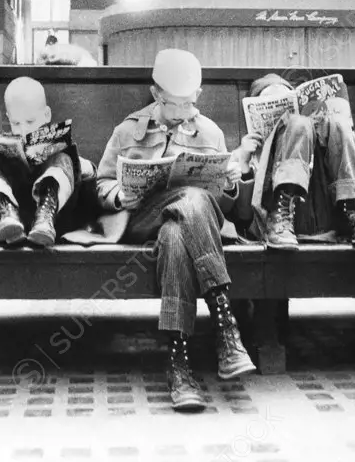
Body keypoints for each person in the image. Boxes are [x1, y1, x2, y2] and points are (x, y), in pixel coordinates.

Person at [94, 49, 255, 413]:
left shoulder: (210, 131)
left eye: (189, 104)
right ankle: (225, 323)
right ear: (156, 95)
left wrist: (231, 184)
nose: (184, 112)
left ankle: (179, 365)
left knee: (177, 232)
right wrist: (119, 195)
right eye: (174, 105)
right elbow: (100, 183)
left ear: (197, 95)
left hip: (185, 231)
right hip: (142, 221)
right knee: (190, 199)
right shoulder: (127, 131)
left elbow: (223, 207)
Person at [229, 73, 355, 250]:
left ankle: (350, 209)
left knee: (336, 123)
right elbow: (243, 218)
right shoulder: (243, 152)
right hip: (271, 223)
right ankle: (281, 213)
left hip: (326, 216)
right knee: (297, 124)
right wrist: (244, 162)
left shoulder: (317, 138)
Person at [0, 77, 93, 247]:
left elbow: (87, 185)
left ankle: (45, 215)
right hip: (1, 222)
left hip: (54, 221)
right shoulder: (5, 144)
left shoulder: (57, 144)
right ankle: (5, 212)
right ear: (8, 117)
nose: (23, 129)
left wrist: (85, 168)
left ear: (47, 114)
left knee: (63, 157)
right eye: (16, 123)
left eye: (30, 121)